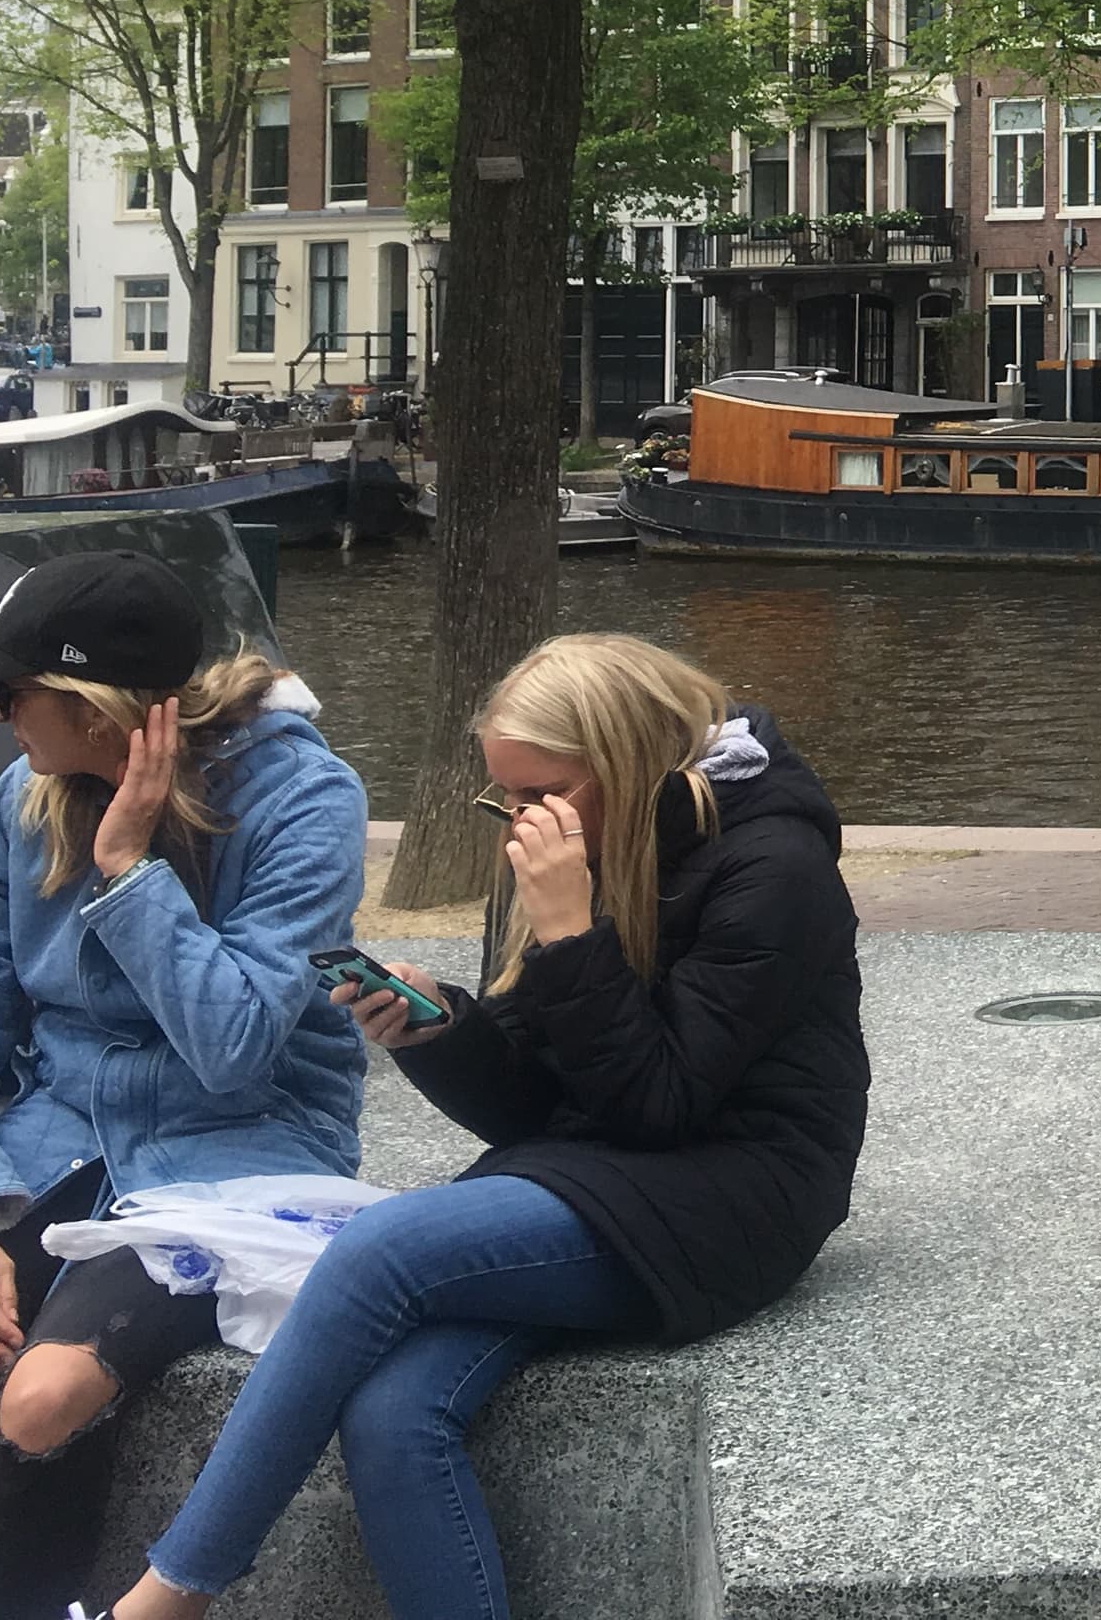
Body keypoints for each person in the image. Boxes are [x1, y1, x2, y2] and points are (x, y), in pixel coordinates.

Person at [77, 633, 868, 1620]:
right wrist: (442, 1028)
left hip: (740, 1189)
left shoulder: (775, 865)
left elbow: (660, 1104)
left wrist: (571, 933)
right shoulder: (567, 844)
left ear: (625, 765)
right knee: (392, 1410)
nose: (521, 821)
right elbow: (535, 1105)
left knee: (381, 1249)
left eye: (542, 793)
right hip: (605, 1169)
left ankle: (172, 1594)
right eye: (508, 797)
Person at [0, 554, 365, 1620]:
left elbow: (234, 1045)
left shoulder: (305, 797)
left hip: (238, 1155)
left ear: (95, 709)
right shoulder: (18, 801)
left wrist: (130, 870)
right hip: (54, 1143)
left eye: (12, 692)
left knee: (45, 1395)